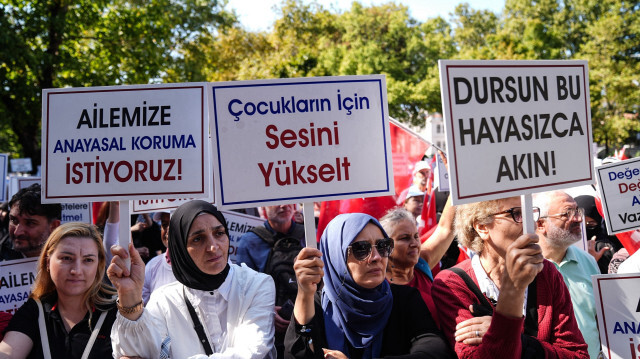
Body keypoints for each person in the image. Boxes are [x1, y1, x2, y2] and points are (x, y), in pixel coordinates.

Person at [108, 200, 276, 358]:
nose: (213, 246)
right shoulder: (164, 300)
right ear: (179, 247)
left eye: (219, 233)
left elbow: (251, 352)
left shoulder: (256, 285)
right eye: (198, 239)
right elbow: (135, 353)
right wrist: (129, 295)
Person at [431, 196, 589, 359]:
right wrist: (512, 293)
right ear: (482, 227)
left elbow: (578, 355)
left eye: (531, 213)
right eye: (517, 214)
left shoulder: (546, 272)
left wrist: (507, 334)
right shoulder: (452, 284)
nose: (531, 225)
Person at [285, 213, 453, 358]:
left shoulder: (405, 299)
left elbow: (434, 351)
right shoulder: (315, 304)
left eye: (382, 246)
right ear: (336, 255)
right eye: (361, 249)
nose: (376, 257)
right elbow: (297, 353)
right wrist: (304, 294)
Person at [0, 222, 117, 358]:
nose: (76, 270)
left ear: (98, 265)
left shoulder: (117, 312)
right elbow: (9, 352)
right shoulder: (35, 310)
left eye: (88, 260)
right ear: (47, 262)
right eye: (66, 258)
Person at [533, 190, 601, 359]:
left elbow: (600, 318)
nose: (578, 219)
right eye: (567, 214)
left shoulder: (587, 261)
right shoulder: (523, 266)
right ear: (541, 224)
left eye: (577, 212)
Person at [236, 204, 305, 358]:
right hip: (268, 332)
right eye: (276, 200)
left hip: (306, 323)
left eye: (288, 198)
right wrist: (267, 312)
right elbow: (242, 291)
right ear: (262, 206)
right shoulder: (249, 241)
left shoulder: (309, 235)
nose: (283, 205)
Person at [380, 203, 456, 327]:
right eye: (405, 238)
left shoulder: (421, 264)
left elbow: (446, 228)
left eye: (416, 236)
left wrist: (459, 188)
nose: (414, 243)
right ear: (385, 245)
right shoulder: (377, 285)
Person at [2, 184, 61, 261]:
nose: (17, 232)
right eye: (14, 220)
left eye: (30, 223)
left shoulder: (71, 258)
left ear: (53, 226)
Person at [142, 210, 175, 304]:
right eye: (164, 224)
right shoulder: (152, 266)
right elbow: (141, 311)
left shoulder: (202, 264)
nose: (168, 230)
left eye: (174, 224)